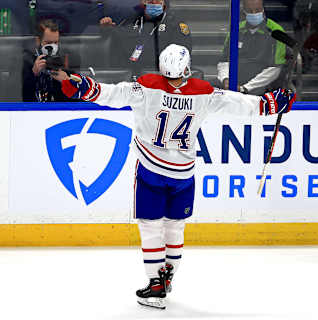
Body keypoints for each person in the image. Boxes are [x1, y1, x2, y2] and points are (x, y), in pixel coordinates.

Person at [53, 44, 295, 309]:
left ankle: (155, 284)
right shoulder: (203, 92)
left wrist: (82, 86)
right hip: (183, 174)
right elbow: (240, 104)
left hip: (151, 169)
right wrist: (271, 103)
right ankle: (168, 275)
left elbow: (112, 94)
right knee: (175, 225)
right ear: (187, 67)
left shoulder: (147, 86)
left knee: (150, 225)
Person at [99, 0, 192, 77]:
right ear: (143, 3)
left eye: (157, 1)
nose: (153, 2)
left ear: (164, 3)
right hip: (130, 75)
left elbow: (182, 56)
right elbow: (119, 40)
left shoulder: (175, 24)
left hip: (160, 76)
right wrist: (107, 29)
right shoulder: (132, 19)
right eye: (150, 1)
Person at [217, 0, 287, 95]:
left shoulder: (276, 32)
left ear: (263, 9)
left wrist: (246, 88)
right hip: (234, 83)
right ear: (243, 11)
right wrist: (226, 79)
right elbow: (224, 61)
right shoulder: (236, 29)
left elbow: (275, 69)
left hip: (261, 86)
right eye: (250, 11)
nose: (254, 14)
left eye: (257, 10)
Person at [22, 19, 80, 102]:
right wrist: (33, 74)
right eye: (48, 43)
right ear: (38, 41)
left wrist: (67, 82)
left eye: (55, 42)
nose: (52, 47)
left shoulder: (65, 59)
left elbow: (79, 99)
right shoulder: (27, 60)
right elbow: (18, 95)